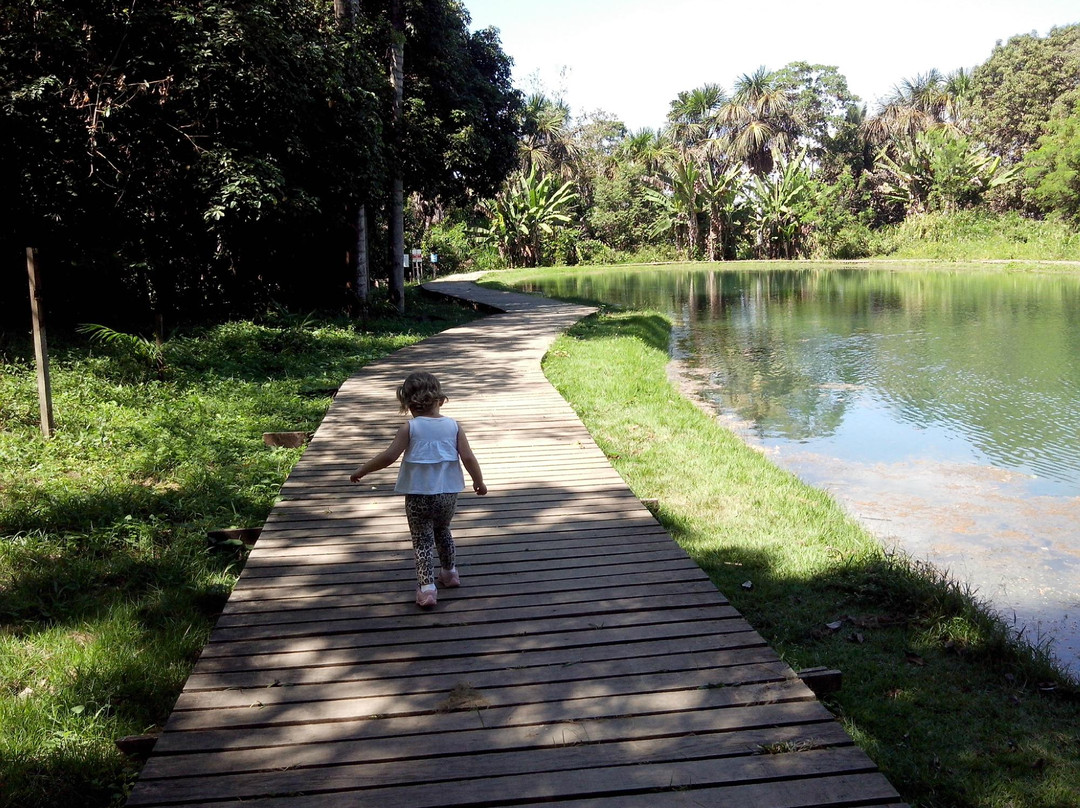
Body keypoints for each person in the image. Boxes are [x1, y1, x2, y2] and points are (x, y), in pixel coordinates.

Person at [349, 371, 487, 608]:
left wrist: (362, 470)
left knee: (422, 540)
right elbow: (468, 457)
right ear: (440, 399)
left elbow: (389, 457)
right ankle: (450, 573)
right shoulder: (453, 426)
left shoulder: (410, 428)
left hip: (418, 496)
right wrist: (479, 481)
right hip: (447, 494)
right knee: (443, 530)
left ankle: (427, 589)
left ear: (407, 403)